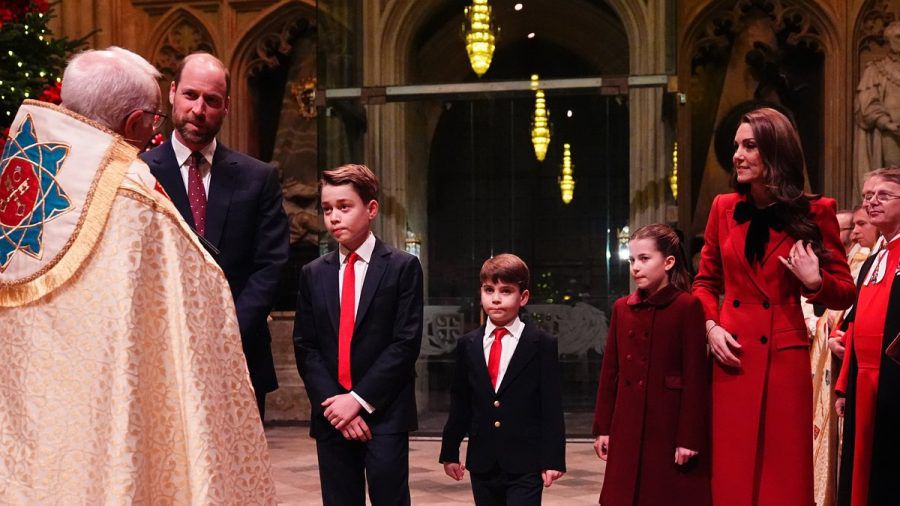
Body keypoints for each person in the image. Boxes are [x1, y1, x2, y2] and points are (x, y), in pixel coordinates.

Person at [0, 47, 275, 503]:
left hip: (27, 401)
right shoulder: (133, 194)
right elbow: (198, 295)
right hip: (104, 401)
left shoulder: (23, 172)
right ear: (132, 123)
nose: (157, 126)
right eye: (153, 117)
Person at [693, 107, 856, 506]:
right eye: (736, 146)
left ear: (775, 151)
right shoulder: (723, 207)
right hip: (731, 354)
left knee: (782, 475)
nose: (737, 155)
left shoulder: (816, 211)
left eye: (749, 146)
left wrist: (814, 282)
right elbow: (703, 283)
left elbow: (845, 292)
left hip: (784, 358)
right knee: (731, 469)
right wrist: (711, 327)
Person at [142, 52, 289, 419]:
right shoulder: (139, 174)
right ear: (172, 93)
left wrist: (227, 333)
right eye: (191, 95)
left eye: (211, 100)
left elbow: (271, 264)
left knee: (240, 472)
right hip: (162, 353)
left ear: (225, 108)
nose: (199, 109)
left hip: (241, 353)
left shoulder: (259, 177)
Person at [293, 164, 423, 505]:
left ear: (372, 209)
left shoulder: (402, 267)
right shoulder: (312, 274)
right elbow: (306, 346)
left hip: (384, 411)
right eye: (327, 209)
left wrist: (358, 400)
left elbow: (404, 344)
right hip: (331, 412)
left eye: (344, 206)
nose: (334, 217)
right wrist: (337, 407)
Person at [593, 224, 710, 506]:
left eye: (645, 259)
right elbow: (611, 372)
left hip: (667, 424)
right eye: (632, 260)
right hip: (627, 422)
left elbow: (696, 377)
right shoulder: (623, 308)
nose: (635, 267)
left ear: (668, 262)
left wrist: (689, 438)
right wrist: (603, 428)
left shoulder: (687, 307)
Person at [440, 253, 566, 506]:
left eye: (506, 291)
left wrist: (553, 459)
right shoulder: (468, 344)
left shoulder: (541, 343)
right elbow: (461, 401)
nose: (496, 298)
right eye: (489, 290)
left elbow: (551, 405)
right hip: (483, 461)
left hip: (526, 461)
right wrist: (450, 451)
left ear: (524, 297)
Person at [834, 167, 900, 506]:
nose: (871, 202)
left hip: (894, 380)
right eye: (867, 196)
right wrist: (845, 382)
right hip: (864, 380)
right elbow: (856, 324)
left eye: (882, 195)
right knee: (860, 471)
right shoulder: (874, 259)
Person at [855, 21, 900, 195]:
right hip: (890, 134)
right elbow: (866, 103)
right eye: (898, 37)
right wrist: (885, 122)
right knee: (891, 178)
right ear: (889, 39)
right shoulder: (876, 69)